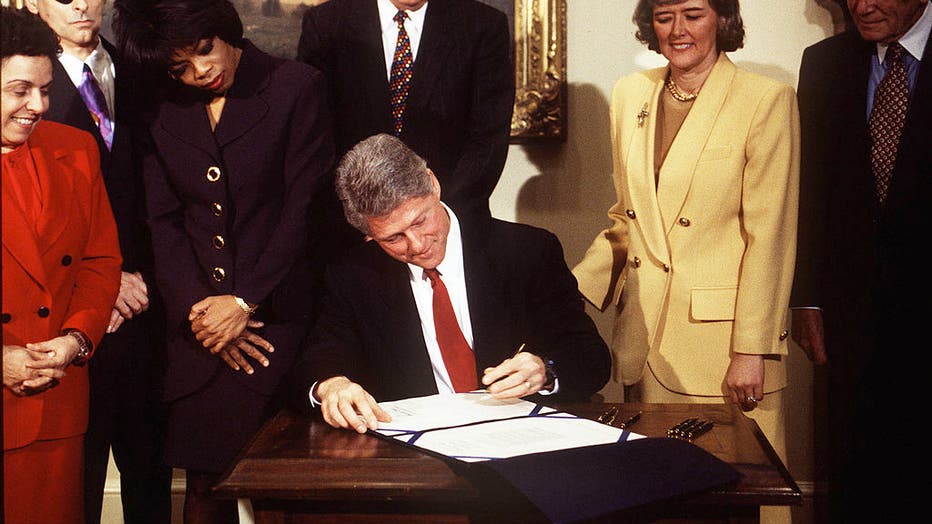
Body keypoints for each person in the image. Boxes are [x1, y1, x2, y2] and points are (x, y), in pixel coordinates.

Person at [572, 2, 798, 521]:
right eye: (664, 15)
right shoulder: (631, 94)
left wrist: (753, 350)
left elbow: (772, 235)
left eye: (693, 14)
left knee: (735, 503)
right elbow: (628, 220)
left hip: (724, 352)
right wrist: (568, 292)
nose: (677, 31)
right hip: (644, 338)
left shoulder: (766, 99)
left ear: (721, 19)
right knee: (659, 504)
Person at [112, 0, 335, 521]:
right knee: (203, 486)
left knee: (280, 487)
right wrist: (203, 312)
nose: (200, 72)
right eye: (179, 67)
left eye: (204, 51)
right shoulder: (161, 106)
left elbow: (303, 211)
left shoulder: (296, 86)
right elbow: (162, 222)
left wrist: (242, 300)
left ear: (223, 30)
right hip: (200, 330)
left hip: (275, 317)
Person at [292, 133, 610, 432]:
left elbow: (590, 357)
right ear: (369, 234)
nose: (416, 245)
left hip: (520, 438)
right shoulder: (353, 275)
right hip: (415, 456)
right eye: (393, 237)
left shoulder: (527, 252)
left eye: (420, 221)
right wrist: (331, 385)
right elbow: (321, 356)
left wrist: (545, 370)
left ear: (433, 184)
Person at [24, 0, 172, 521]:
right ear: (32, 3)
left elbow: (171, 194)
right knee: (74, 487)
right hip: (66, 317)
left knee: (149, 477)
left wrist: (147, 277)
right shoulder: (23, 97)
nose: (82, 4)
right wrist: (104, 286)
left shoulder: (145, 75)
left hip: (148, 308)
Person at [791, 0, 931, 521]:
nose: (862, 6)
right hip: (851, 312)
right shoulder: (825, 63)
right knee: (854, 471)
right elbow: (809, 189)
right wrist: (805, 298)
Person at [2, 6, 123, 523]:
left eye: (46, 90)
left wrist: (76, 340)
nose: (37, 106)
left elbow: (100, 260)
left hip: (56, 403)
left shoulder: (76, 149)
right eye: (20, 90)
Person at [297, 0, 514, 217]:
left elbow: (488, 141)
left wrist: (436, 216)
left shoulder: (482, 25)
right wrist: (365, 218)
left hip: (447, 221)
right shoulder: (326, 24)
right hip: (350, 226)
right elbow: (315, 139)